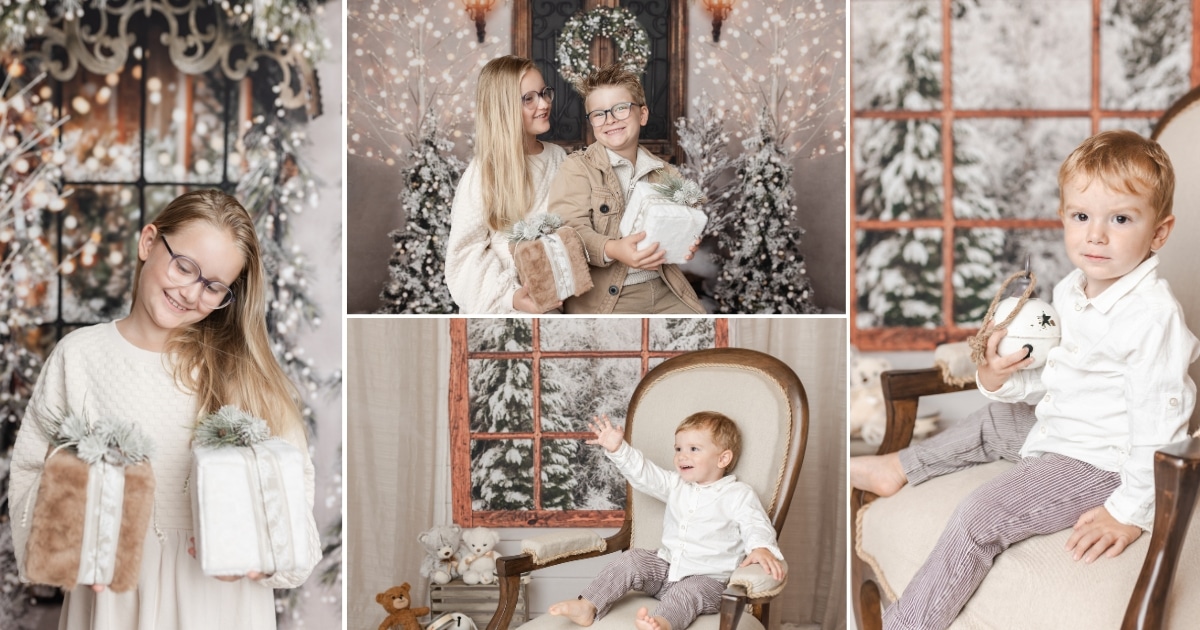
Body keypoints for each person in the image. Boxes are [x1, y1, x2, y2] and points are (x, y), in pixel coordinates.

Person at [849, 129, 1199, 630]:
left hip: (1104, 459)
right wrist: (998, 376)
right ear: (1064, 219)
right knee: (994, 418)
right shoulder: (1073, 290)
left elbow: (1159, 424)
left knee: (980, 517)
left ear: (1158, 232)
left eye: (1120, 219)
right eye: (1081, 217)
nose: (1095, 235)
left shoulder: (1151, 316)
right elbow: (1054, 378)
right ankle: (898, 467)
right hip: (1067, 424)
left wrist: (1130, 509)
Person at [8, 190, 322, 629]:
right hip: (112, 601)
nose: (190, 292)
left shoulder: (246, 376)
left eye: (213, 286)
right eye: (184, 266)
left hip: (219, 605)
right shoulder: (80, 357)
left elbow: (295, 519)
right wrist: (68, 539)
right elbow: (28, 475)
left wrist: (265, 556)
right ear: (149, 242)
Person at [549, 412, 785, 630]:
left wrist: (761, 547)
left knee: (688, 592)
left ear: (723, 458)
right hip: (666, 569)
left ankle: (662, 622)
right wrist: (619, 449)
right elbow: (645, 474)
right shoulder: (676, 485)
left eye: (694, 449)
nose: (682, 455)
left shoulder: (738, 494)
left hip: (708, 581)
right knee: (633, 558)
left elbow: (755, 523)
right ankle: (588, 605)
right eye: (678, 448)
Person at [547, 63, 704, 314]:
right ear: (591, 122)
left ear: (642, 115)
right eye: (599, 114)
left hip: (663, 288)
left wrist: (684, 240)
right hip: (610, 297)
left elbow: (683, 219)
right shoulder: (578, 168)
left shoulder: (666, 173)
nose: (610, 120)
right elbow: (567, 231)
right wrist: (613, 249)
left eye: (620, 108)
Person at [445, 55, 568, 313]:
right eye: (529, 98)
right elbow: (465, 253)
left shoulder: (559, 157)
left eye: (545, 93)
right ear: (503, 108)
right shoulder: (484, 172)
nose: (544, 104)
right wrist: (509, 296)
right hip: (505, 307)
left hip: (554, 299)